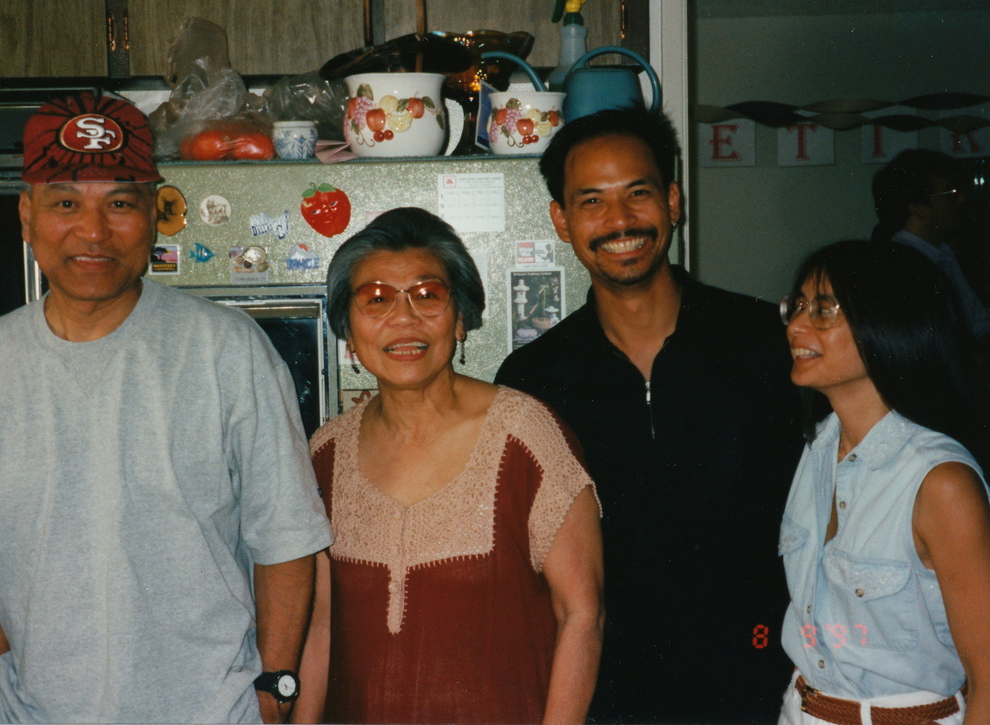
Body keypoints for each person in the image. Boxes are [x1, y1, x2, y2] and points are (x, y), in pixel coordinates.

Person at [0, 92, 333, 723]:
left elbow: (285, 539)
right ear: (27, 215)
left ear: (155, 212)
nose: (93, 231)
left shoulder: (226, 350)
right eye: (65, 203)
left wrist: (273, 693)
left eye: (119, 203)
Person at [495, 108, 804, 723]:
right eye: (592, 201)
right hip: (609, 692)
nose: (619, 221)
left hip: (761, 679)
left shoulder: (766, 342)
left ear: (672, 201)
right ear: (561, 220)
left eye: (638, 193)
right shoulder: (532, 381)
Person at [295, 207, 604, 724]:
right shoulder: (324, 455)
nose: (403, 319)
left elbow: (582, 615)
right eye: (376, 299)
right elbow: (321, 627)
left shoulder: (526, 437)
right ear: (347, 329)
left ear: (460, 318)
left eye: (427, 295)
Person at [777, 240, 990, 725]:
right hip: (803, 708)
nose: (796, 326)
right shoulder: (817, 448)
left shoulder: (940, 484)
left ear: (889, 325)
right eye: (799, 306)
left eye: (824, 310)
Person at [870, 148, 990, 339]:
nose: (962, 199)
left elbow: (979, 325)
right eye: (951, 193)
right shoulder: (901, 267)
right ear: (918, 209)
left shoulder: (942, 253)